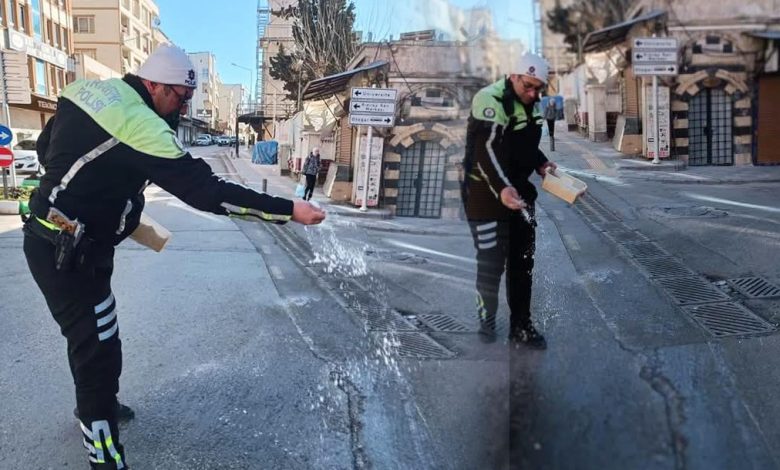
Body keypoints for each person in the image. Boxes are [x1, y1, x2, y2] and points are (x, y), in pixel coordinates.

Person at [22, 44, 325, 469]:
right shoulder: (142, 126)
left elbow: (46, 143)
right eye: (181, 98)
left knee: (95, 339)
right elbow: (207, 192)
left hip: (57, 240)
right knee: (98, 351)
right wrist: (288, 209)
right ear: (156, 86)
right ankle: (103, 451)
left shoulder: (89, 91)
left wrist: (79, 197)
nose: (182, 108)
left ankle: (98, 409)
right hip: (70, 255)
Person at [461, 52, 557, 349]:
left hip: (519, 192)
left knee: (522, 261)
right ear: (513, 76)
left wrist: (541, 163)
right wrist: (502, 188)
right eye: (528, 86)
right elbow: (486, 151)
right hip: (484, 194)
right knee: (491, 263)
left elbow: (523, 144)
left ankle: (521, 326)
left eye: (538, 88)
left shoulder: (532, 102)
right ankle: (487, 319)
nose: (533, 94)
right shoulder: (489, 99)